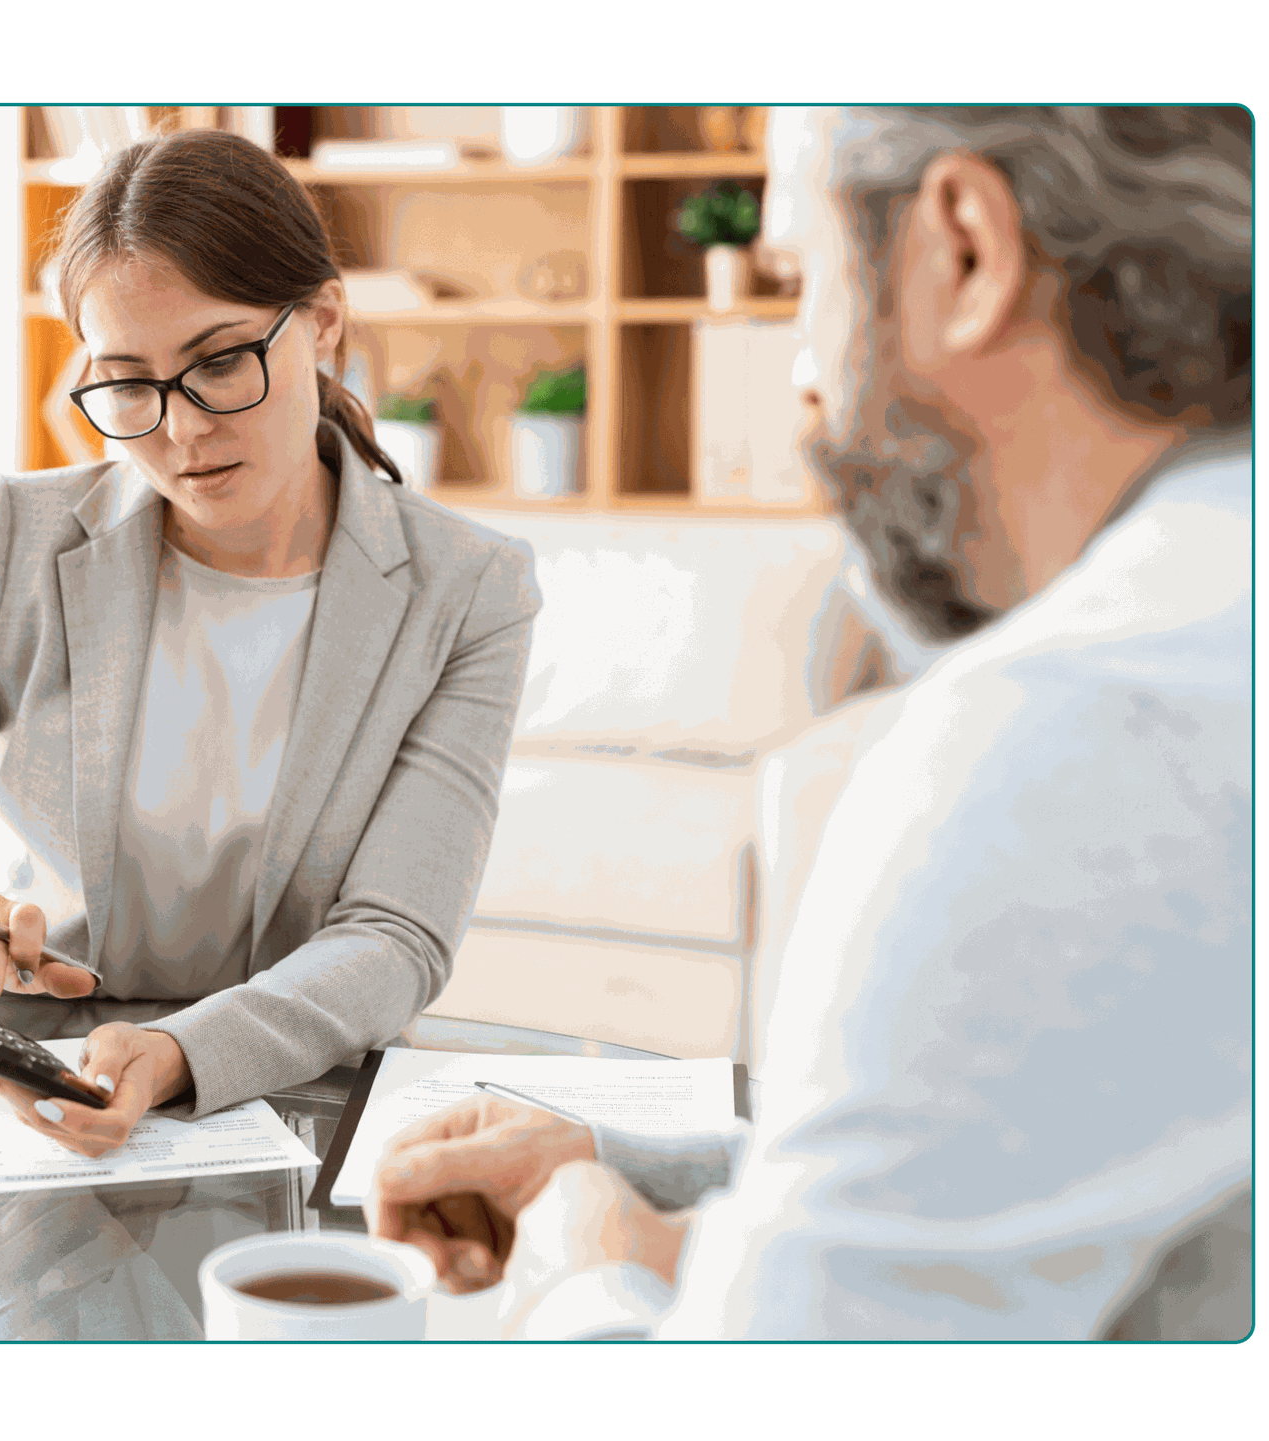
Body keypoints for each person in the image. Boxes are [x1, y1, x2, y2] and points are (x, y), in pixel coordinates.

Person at [367, 105, 1252, 1341]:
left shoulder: (1069, 734)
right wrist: (624, 1164)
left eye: (795, 279)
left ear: (964, 250)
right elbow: (1007, 1138)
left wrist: (580, 1258)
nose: (798, 368)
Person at [0, 125, 542, 1161]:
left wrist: (175, 1049)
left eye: (220, 362)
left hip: (286, 1104)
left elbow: (395, 938)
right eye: (128, 382)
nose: (181, 428)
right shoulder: (16, 544)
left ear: (324, 322)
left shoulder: (468, 588)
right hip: (23, 1102)